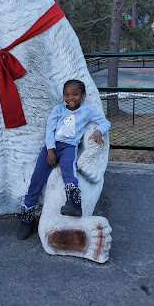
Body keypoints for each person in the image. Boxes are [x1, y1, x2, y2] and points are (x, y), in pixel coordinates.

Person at [17, 79, 111, 240]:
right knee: (37, 178)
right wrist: (50, 151)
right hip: (51, 147)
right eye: (67, 94)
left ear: (82, 95)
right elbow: (50, 130)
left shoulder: (87, 111)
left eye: (75, 94)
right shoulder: (58, 110)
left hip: (69, 147)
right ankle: (27, 215)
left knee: (69, 170)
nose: (70, 98)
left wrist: (97, 132)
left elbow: (105, 122)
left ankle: (73, 203)